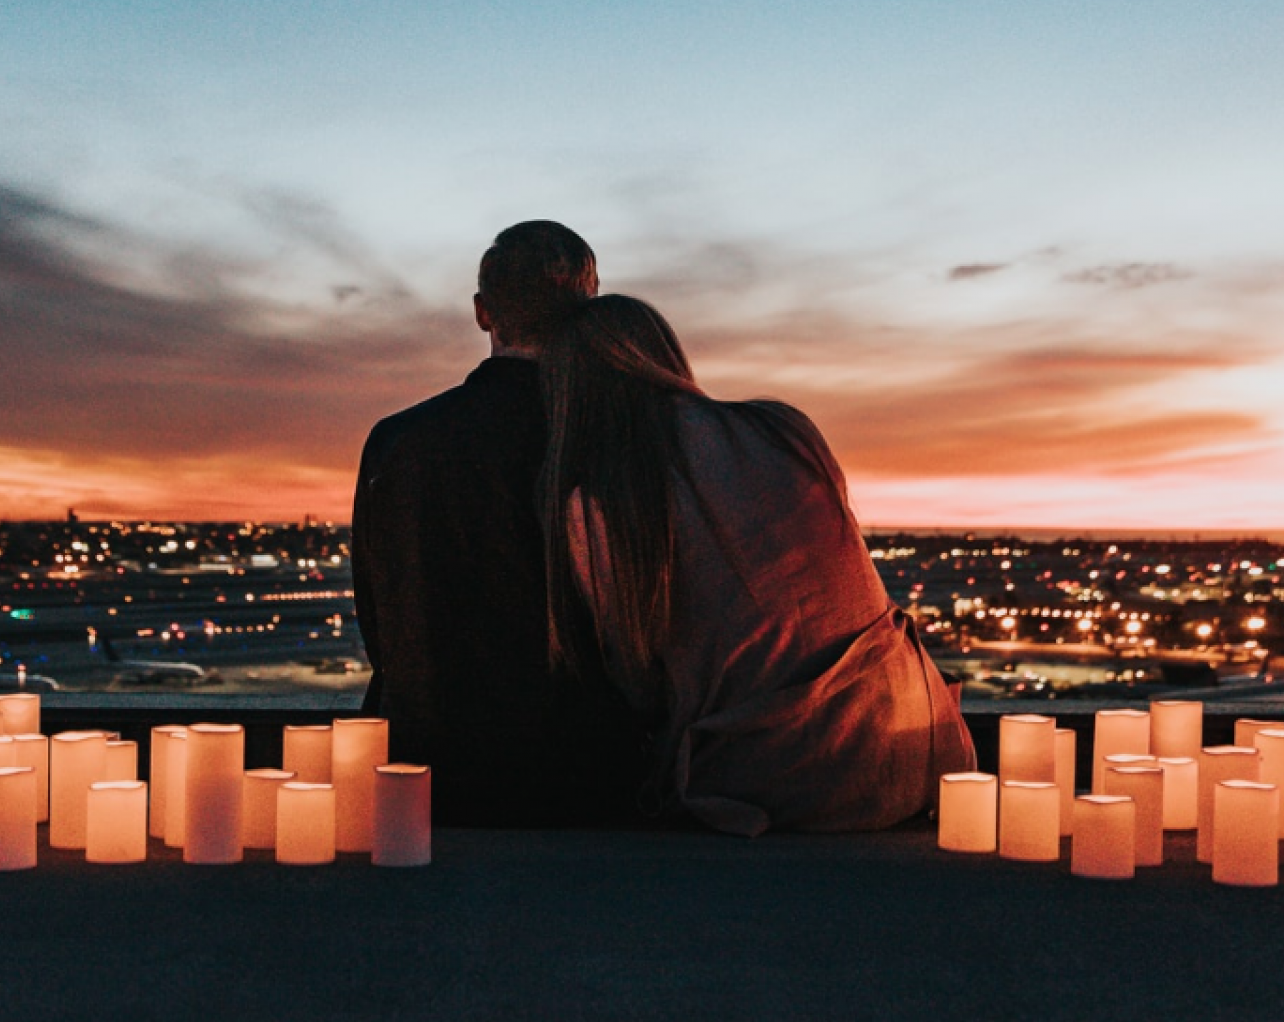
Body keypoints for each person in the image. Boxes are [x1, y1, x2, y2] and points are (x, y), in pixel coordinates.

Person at [539, 295, 975, 836]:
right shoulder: (784, 429)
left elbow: (637, 683)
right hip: (918, 749)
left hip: (774, 781)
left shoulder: (601, 502)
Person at [350, 222, 643, 826]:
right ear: (588, 308)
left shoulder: (397, 443)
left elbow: (384, 628)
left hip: (426, 778)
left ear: (483, 312)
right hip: (584, 783)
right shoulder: (619, 441)